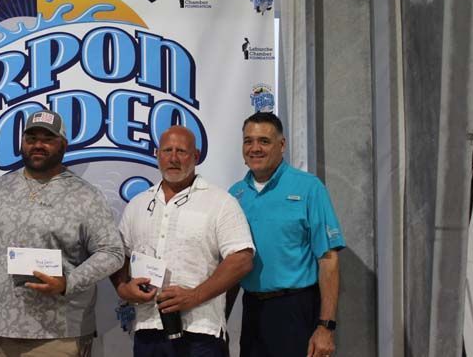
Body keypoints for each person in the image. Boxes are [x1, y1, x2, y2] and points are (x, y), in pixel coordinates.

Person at [0, 109, 124, 357]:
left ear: (63, 145)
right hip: (3, 332)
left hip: (60, 335)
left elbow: (112, 252)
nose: (38, 145)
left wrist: (68, 282)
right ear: (22, 143)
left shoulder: (85, 195)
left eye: (47, 139)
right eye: (31, 139)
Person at [111, 126, 254, 357]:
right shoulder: (138, 204)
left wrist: (193, 296)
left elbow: (242, 259)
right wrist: (123, 288)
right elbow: (118, 256)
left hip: (200, 331)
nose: (174, 158)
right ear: (157, 154)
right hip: (147, 329)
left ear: (196, 156)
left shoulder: (220, 202)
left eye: (182, 151)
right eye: (167, 150)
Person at [227, 112, 345, 357]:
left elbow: (328, 260)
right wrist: (222, 320)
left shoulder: (309, 188)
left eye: (264, 141)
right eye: (248, 141)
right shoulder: (235, 195)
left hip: (295, 309)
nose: (255, 148)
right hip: (252, 310)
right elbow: (231, 266)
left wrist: (326, 327)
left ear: (282, 145)